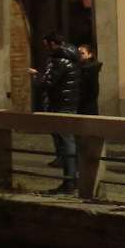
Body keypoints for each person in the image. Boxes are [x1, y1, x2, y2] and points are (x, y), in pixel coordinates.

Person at [33, 35, 81, 195]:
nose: (45, 47)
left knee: (66, 143)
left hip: (60, 105)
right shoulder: (73, 59)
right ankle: (73, 179)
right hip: (69, 104)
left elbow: (47, 83)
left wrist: (35, 75)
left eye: (46, 44)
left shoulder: (59, 61)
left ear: (52, 43)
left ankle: (70, 181)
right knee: (67, 142)